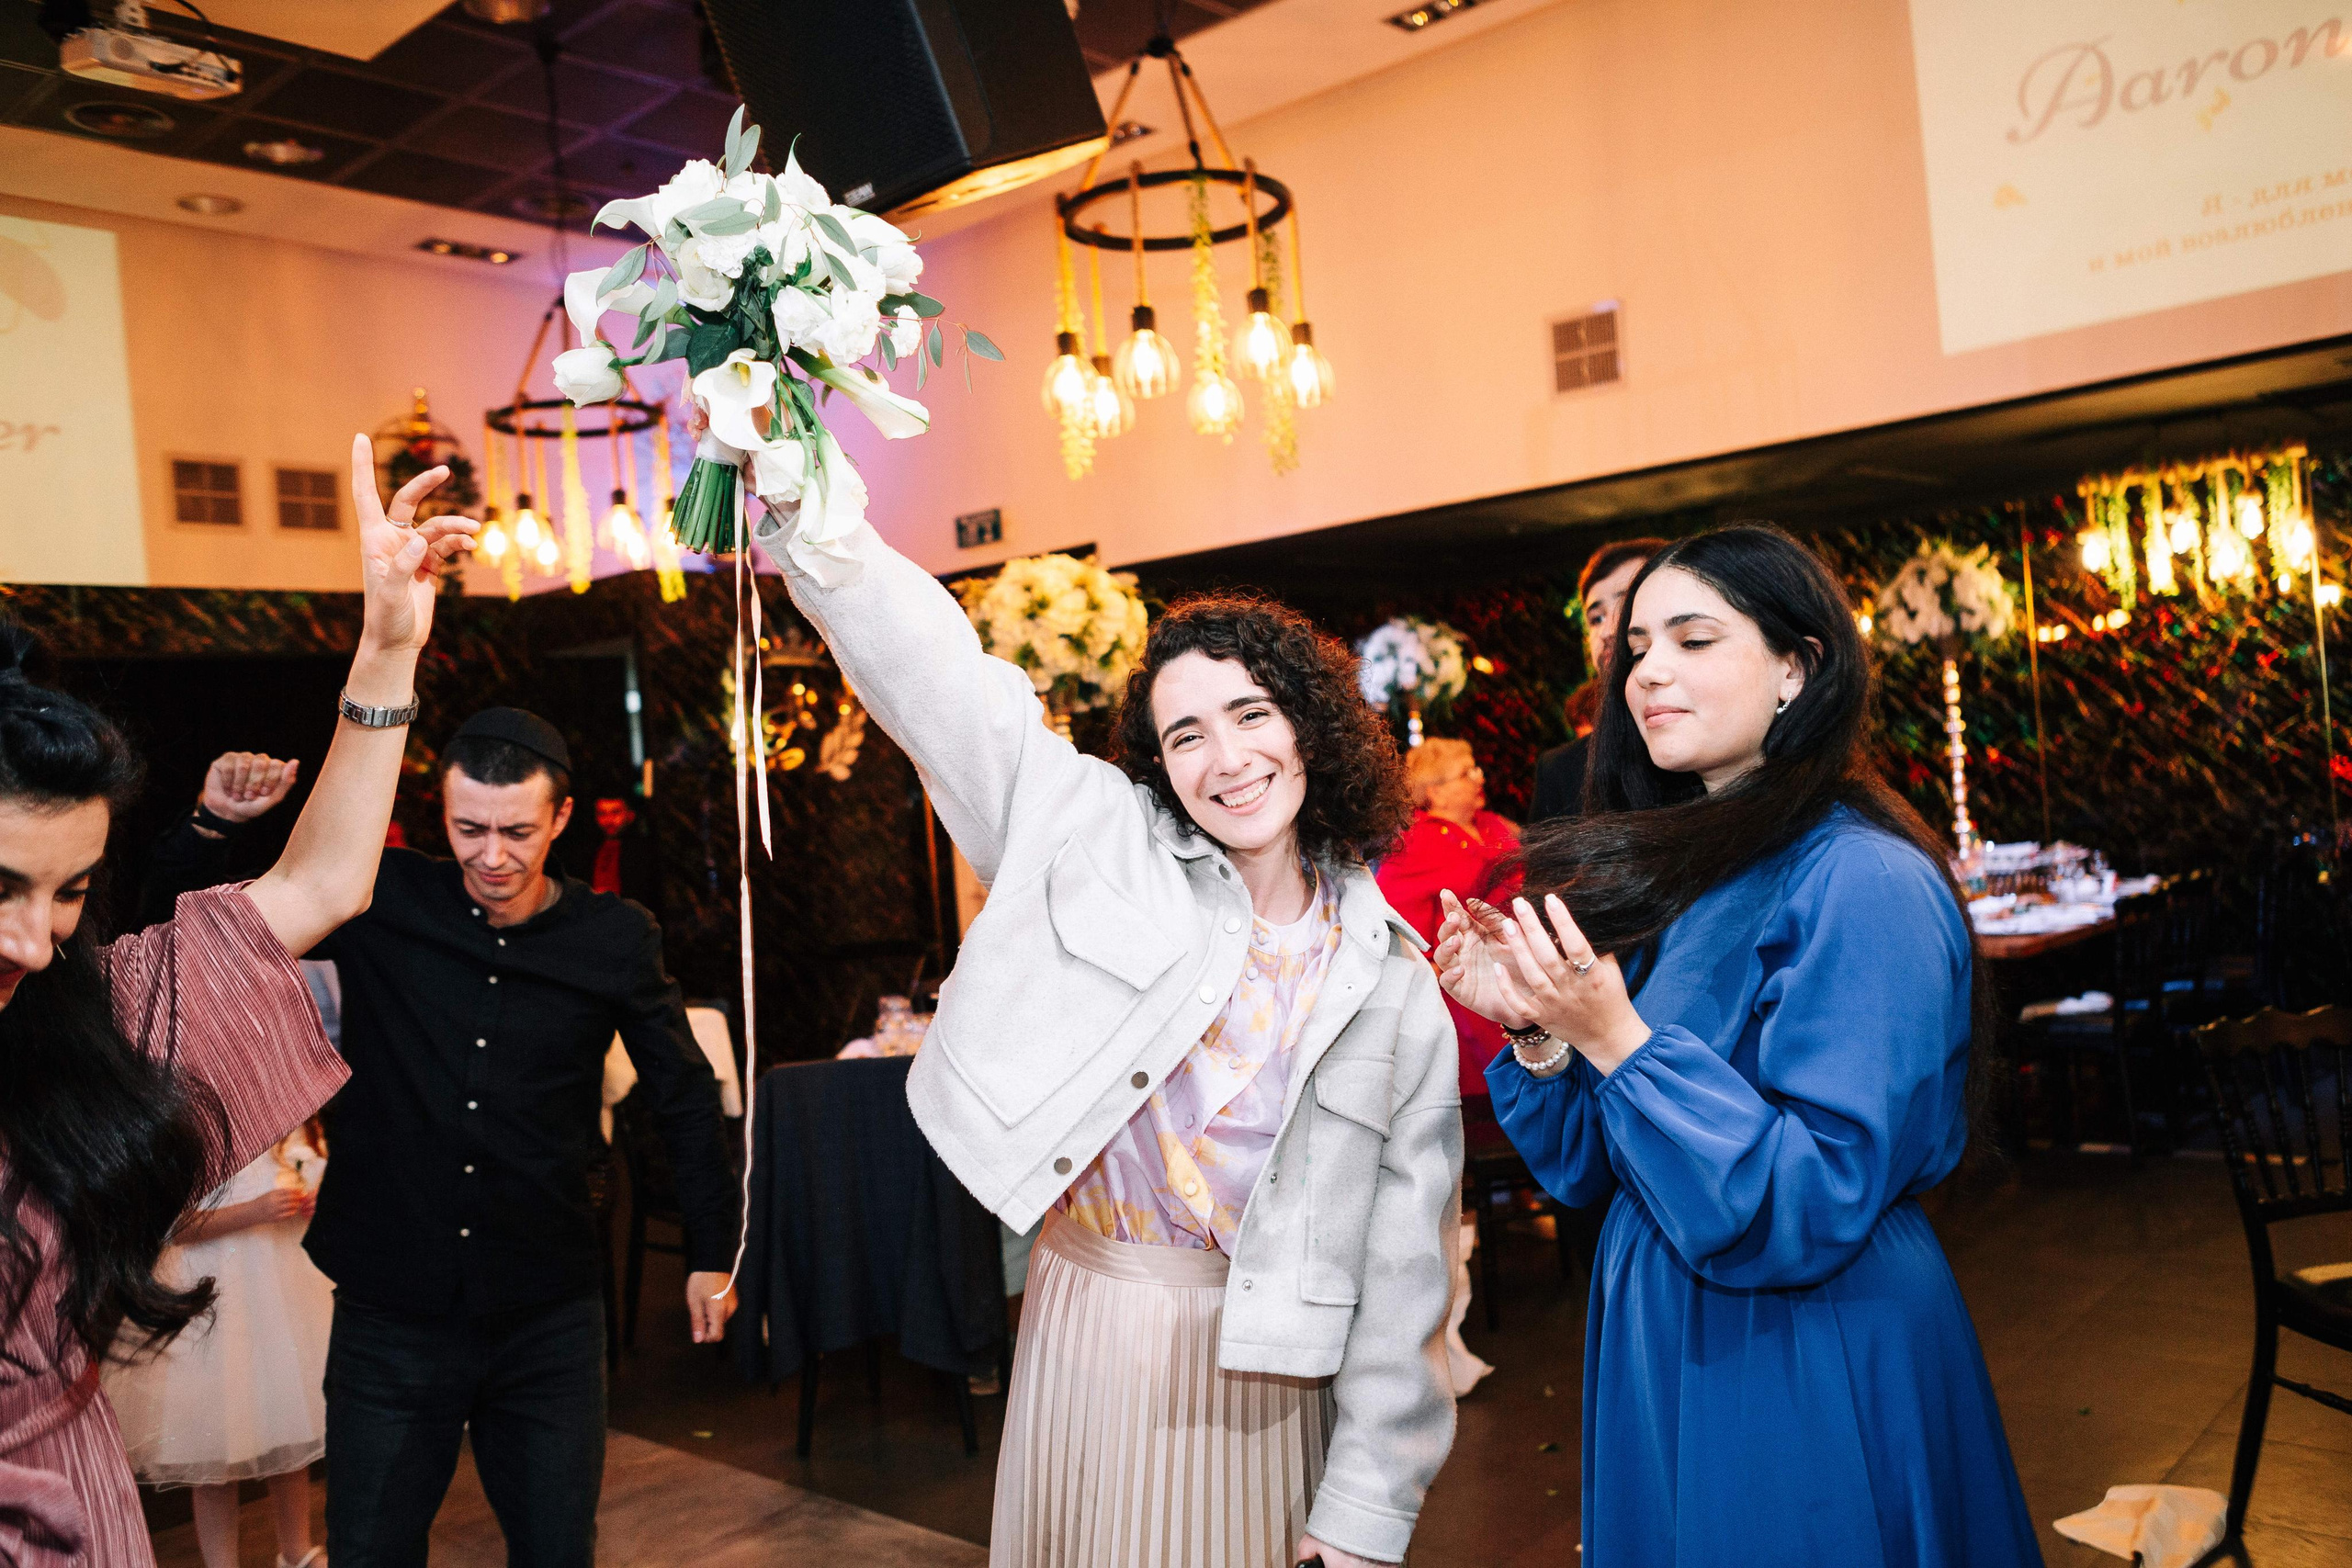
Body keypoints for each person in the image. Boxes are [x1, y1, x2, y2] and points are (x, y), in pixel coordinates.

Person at [755, 514, 1463, 1567]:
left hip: (1272, 1377)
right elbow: (941, 681)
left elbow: (1409, 1275)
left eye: (1249, 715)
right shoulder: (1096, 840)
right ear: (1157, 763)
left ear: (1307, 726)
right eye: (1185, 736)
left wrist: (1365, 1506)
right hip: (1088, 1330)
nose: (1226, 760)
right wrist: (806, 509)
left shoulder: (1391, 982)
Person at [1435, 525, 2041, 1566]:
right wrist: (1534, 1021)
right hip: (1669, 1321)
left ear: (1794, 669)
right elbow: (1590, 1171)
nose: (1648, 671)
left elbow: (1811, 1199)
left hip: (1803, 1332)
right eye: (1636, 649)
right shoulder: (1693, 870)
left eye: (1692, 639)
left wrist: (1618, 1040)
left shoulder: (1862, 878)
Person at [0, 435, 471, 1568]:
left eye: (68, 894)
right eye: (1, 887)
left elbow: (319, 884)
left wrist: (387, 651)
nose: (32, 939)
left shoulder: (93, 1026)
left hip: (71, 1527)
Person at [143, 711, 740, 1568]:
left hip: (548, 1313)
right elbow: (189, 927)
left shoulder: (614, 937)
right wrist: (213, 823)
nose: (492, 854)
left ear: (561, 818)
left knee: (556, 1547)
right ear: (443, 816)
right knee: (371, 1547)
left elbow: (684, 1094)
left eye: (517, 831)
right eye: (469, 829)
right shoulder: (384, 896)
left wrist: (712, 1249)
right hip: (392, 1311)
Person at [102, 1118, 334, 1568]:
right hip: (209, 1298)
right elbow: (174, 1226)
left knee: (289, 1428)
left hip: (280, 1292)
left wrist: (305, 1202)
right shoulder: (193, 1129)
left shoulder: (292, 1127)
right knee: (211, 1450)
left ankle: (297, 1551)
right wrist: (258, 1209)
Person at [1374, 739, 1519, 1097]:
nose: (1478, 778)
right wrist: (1433, 970)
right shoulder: (1414, 845)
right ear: (1436, 792)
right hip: (1468, 995)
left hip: (1519, 972)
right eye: (1466, 772)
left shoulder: (1491, 825)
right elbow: (1394, 922)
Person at [1528, 536, 1668, 823]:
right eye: (1596, 618)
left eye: (1627, 603)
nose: (1607, 631)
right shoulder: (1563, 770)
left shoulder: (1716, 746)